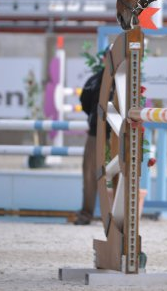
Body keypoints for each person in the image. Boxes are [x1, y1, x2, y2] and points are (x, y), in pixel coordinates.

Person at [73, 69, 103, 225]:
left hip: (120, 133)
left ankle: (118, 217)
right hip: (96, 132)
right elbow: (84, 101)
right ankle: (86, 214)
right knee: (89, 173)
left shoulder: (128, 79)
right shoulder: (95, 79)